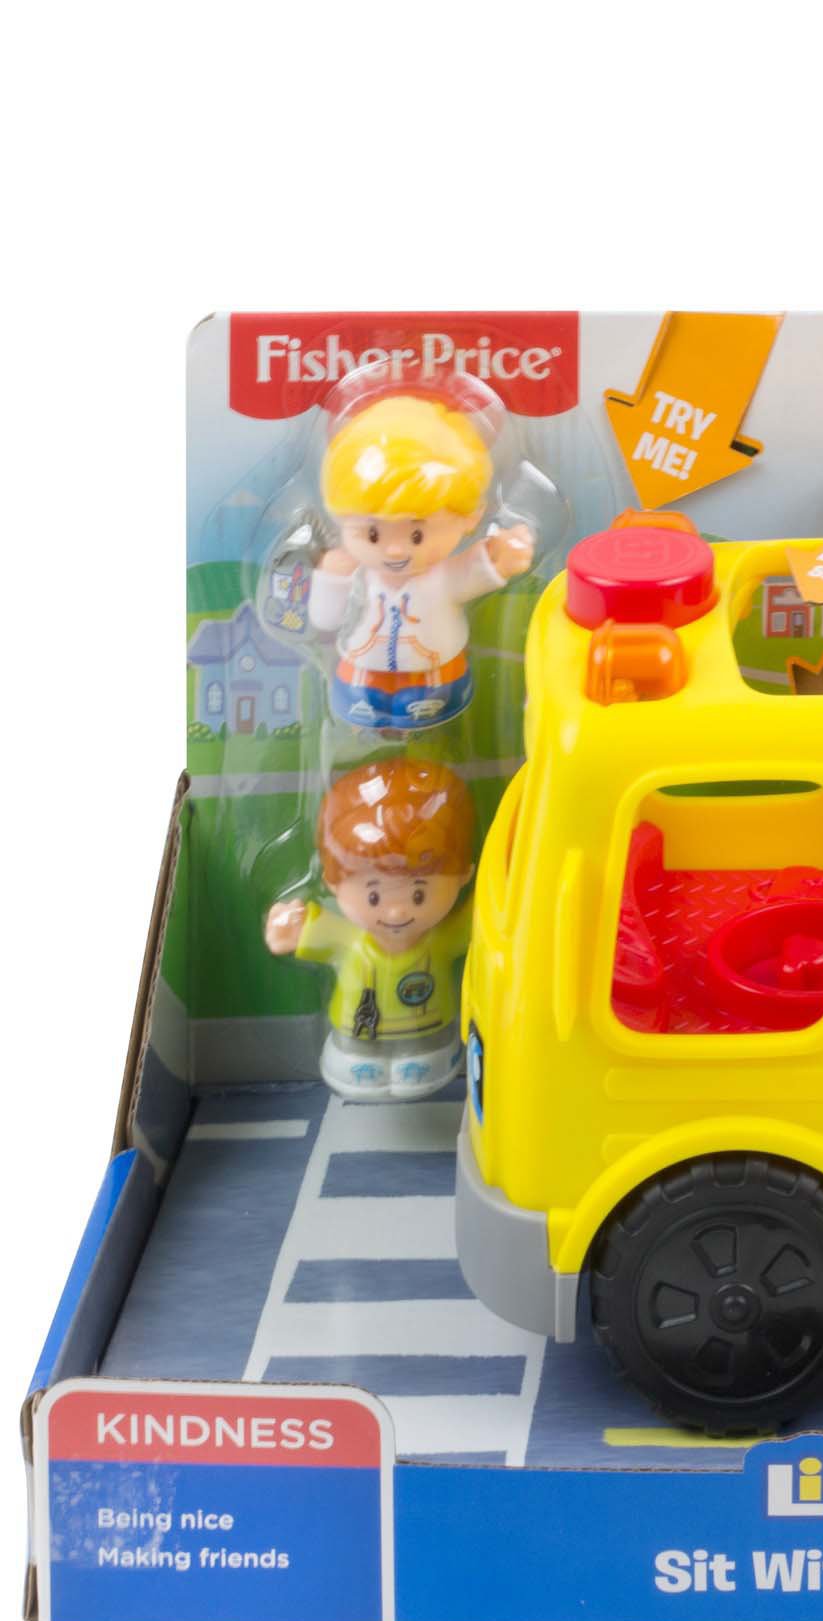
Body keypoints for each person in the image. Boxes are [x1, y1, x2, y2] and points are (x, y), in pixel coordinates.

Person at [309, 390, 533, 729]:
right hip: (360, 673)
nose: (395, 551)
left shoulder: (444, 577)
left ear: (469, 518)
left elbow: (475, 569)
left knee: (426, 706)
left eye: (417, 535)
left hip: (436, 676)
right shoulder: (358, 576)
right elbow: (325, 620)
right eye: (373, 534)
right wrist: (332, 579)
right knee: (361, 706)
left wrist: (500, 555)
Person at [265, 757, 476, 1101]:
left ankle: (416, 1058)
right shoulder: (346, 939)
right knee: (358, 1056)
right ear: (332, 882)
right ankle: (362, 1060)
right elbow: (303, 931)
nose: (396, 910)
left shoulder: (439, 939)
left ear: (463, 876)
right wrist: (289, 927)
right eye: (373, 895)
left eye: (419, 894)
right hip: (356, 1036)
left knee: (425, 1054)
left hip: (428, 1034)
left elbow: (473, 924)